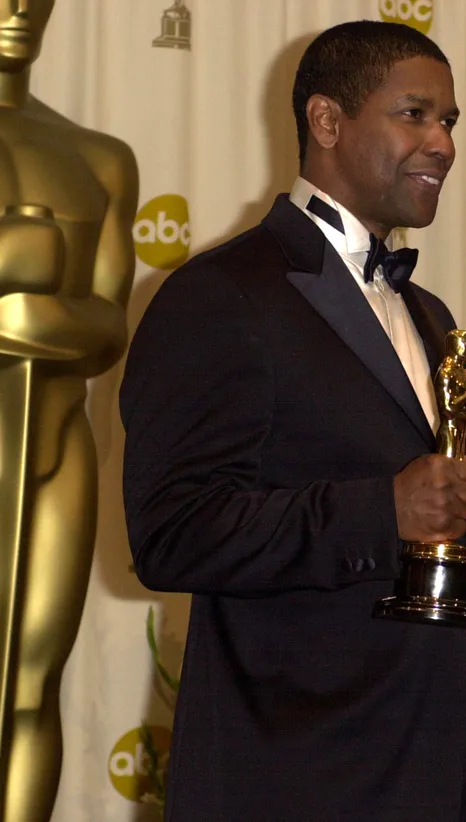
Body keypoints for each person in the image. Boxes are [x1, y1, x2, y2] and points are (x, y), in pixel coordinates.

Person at [120, 21, 466, 821]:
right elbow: (172, 532)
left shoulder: (431, 315)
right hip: (299, 773)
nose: (442, 144)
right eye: (414, 114)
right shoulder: (219, 294)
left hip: (438, 766)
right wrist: (380, 511)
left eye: (449, 121)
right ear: (327, 121)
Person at [0, 1, 138, 818]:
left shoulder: (98, 159)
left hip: (54, 448)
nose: (18, 7)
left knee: (29, 686)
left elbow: (105, 327)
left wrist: (25, 312)